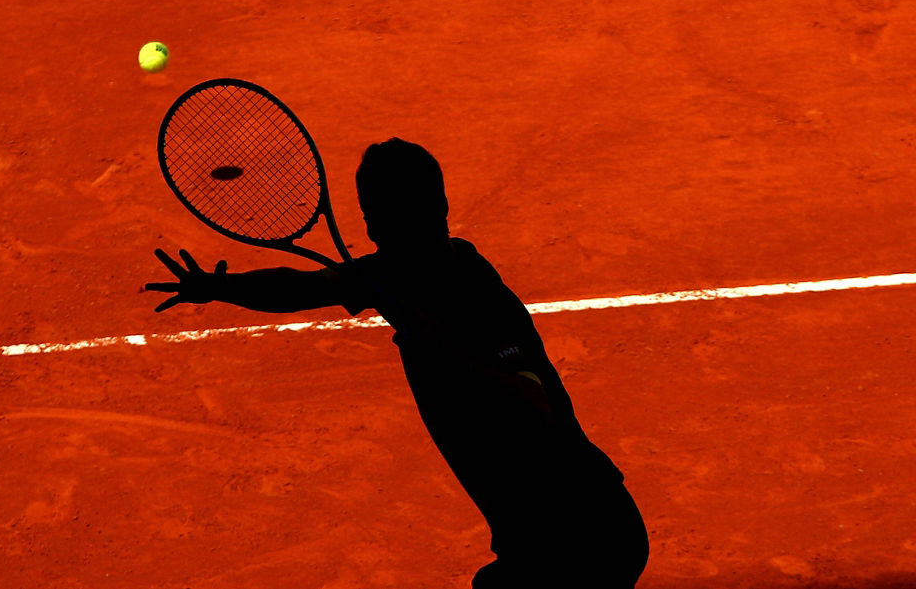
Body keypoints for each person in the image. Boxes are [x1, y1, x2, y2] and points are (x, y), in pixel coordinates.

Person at [144, 138, 648, 588]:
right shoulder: (390, 273)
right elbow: (302, 287)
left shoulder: (476, 292)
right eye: (373, 212)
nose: (374, 225)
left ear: (439, 208)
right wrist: (223, 287)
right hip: (542, 542)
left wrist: (443, 352)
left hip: (585, 536)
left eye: (387, 212)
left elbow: (532, 405)